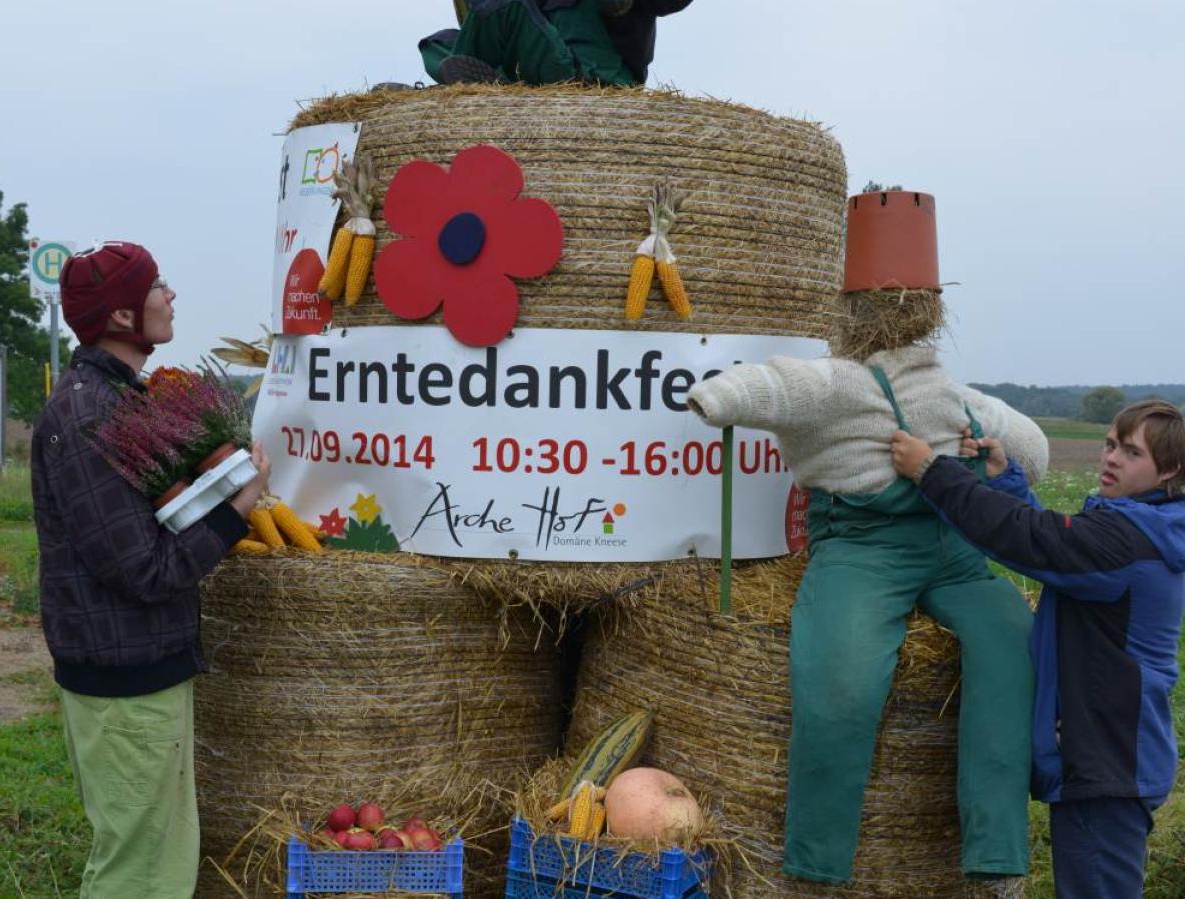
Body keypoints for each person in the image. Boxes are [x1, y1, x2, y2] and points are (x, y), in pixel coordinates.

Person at [686, 190, 1046, 885]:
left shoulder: (952, 391)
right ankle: (818, 864)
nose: (897, 316)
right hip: (862, 547)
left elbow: (1023, 441)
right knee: (840, 675)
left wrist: (997, 447)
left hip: (953, 546)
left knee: (1010, 639)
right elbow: (776, 386)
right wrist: (720, 396)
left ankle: (997, 856)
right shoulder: (838, 383)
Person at [31, 241, 271, 898]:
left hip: (137, 671)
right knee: (138, 871)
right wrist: (236, 510)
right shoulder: (89, 414)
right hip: (125, 681)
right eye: (156, 285)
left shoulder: (114, 399)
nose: (170, 295)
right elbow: (144, 568)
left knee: (158, 859)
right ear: (120, 317)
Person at [891, 400, 1185, 898]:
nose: (1111, 458)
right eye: (1111, 443)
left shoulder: (1128, 543)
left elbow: (1027, 538)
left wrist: (930, 471)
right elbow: (1057, 544)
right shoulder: (1147, 527)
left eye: (1131, 452)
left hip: (1107, 764)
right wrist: (1006, 480)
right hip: (1112, 756)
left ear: (1171, 470)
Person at [419, 0, 693, 86]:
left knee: (503, 5)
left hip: (593, 77)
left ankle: (469, 90)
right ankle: (494, 85)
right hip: (539, 63)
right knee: (436, 44)